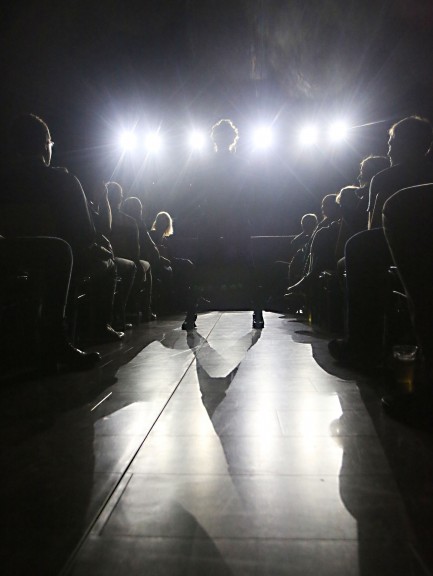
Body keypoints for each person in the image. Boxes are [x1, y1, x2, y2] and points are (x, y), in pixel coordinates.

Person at [0, 114, 106, 369]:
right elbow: (86, 233)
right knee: (66, 253)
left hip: (8, 253)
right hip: (48, 261)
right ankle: (56, 340)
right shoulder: (62, 181)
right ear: (45, 145)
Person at [329, 116, 433, 366]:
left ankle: (362, 345)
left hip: (401, 247)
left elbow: (374, 228)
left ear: (405, 144)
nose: (388, 147)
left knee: (356, 247)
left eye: (392, 140)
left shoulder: (385, 178)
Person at [183, 118, 263, 330]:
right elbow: (250, 193)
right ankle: (257, 313)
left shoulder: (207, 164)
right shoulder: (239, 163)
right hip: (233, 218)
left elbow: (194, 191)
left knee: (202, 265)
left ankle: (191, 315)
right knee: (247, 265)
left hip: (214, 217)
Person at [106, 182, 155, 324]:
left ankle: (128, 310)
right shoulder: (130, 221)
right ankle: (144, 310)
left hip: (107, 256)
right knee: (145, 266)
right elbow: (135, 251)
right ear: (119, 199)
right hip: (123, 260)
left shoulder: (99, 215)